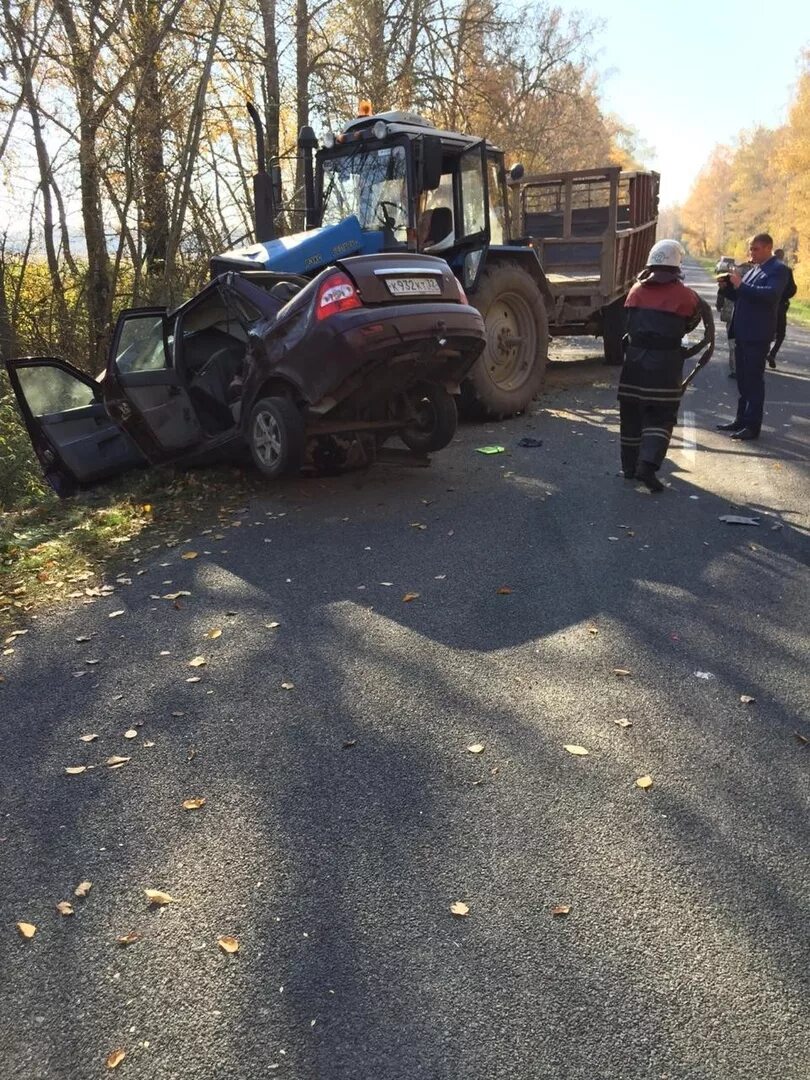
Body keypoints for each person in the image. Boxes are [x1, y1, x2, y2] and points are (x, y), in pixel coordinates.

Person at [618, 239, 714, 492]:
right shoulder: (687, 296)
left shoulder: (635, 291)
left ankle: (629, 468)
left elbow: (627, 324)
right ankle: (647, 466)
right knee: (660, 418)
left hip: (634, 366)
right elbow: (692, 325)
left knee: (631, 418)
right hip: (666, 368)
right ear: (677, 265)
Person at [716, 233, 789, 440]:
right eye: (751, 249)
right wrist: (728, 289)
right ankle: (741, 420)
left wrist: (741, 285)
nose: (751, 253)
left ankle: (752, 425)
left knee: (754, 380)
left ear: (768, 248)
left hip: (757, 334)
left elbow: (771, 295)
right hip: (742, 332)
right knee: (742, 379)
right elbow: (742, 296)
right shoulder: (754, 268)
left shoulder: (778, 270)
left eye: (755, 249)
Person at [766, 248, 797, 368]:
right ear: (782, 257)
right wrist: (783, 297)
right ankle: (772, 353)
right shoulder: (787, 271)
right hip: (780, 306)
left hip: (767, 305)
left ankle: (765, 353)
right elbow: (793, 289)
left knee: (767, 330)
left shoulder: (765, 269)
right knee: (780, 333)